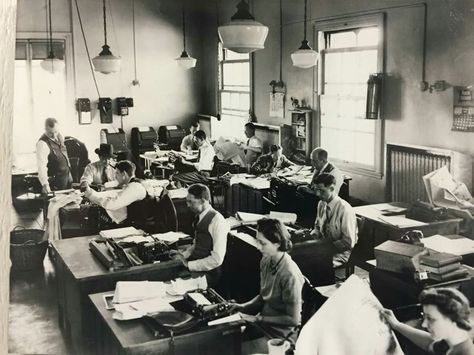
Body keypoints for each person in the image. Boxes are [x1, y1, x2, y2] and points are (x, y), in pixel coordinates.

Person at [231, 218, 304, 346]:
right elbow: (263, 296)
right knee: (225, 342)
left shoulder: (289, 274)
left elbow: (293, 319)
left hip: (280, 336)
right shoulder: (266, 260)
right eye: (257, 241)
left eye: (262, 243)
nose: (258, 247)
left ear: (277, 243)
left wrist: (258, 318)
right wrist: (242, 307)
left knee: (236, 348)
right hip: (263, 325)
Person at [382, 288, 474, 355]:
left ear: (454, 320)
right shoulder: (451, 343)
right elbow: (429, 343)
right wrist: (397, 325)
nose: (424, 324)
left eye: (431, 319)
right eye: (424, 316)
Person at [172, 184, 230, 286]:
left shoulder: (217, 221)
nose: (188, 205)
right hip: (196, 266)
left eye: (191, 202)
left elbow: (217, 259)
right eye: (187, 201)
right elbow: (197, 244)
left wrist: (188, 264)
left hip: (209, 274)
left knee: (172, 282)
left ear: (203, 200)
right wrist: (182, 256)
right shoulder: (199, 216)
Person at [84, 160, 151, 230]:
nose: (115, 177)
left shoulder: (134, 186)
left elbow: (111, 204)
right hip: (138, 221)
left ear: (124, 174)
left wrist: (91, 195)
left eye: (117, 173)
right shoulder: (139, 182)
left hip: (139, 227)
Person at [308, 173, 357, 267]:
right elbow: (317, 226)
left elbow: (348, 242)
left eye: (321, 191)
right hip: (323, 248)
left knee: (314, 265)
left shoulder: (344, 209)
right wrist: (314, 234)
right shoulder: (321, 204)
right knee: (300, 258)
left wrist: (325, 248)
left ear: (331, 188)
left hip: (341, 252)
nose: (318, 194)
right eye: (316, 190)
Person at [36, 118, 72, 192]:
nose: (54, 135)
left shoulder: (59, 137)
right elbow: (41, 166)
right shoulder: (42, 143)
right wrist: (45, 184)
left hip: (66, 181)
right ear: (45, 128)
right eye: (50, 133)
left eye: (56, 132)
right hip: (55, 184)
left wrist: (69, 175)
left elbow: (64, 155)